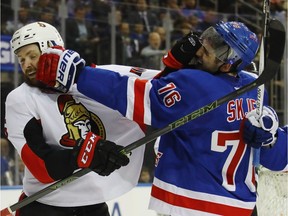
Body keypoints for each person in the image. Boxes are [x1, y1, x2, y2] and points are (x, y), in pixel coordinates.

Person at [36, 21, 287, 215]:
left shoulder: (194, 84)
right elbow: (276, 161)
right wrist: (272, 139)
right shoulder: (253, 87)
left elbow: (134, 95)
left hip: (191, 204)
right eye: (208, 38)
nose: (202, 49)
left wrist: (79, 75)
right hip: (241, 207)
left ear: (227, 64)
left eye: (213, 48)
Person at [5, 21, 159, 216]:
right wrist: (86, 154)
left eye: (32, 56)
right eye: (21, 59)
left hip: (95, 207)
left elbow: (162, 85)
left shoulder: (92, 78)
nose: (26, 65)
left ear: (52, 50)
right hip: (44, 208)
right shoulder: (20, 99)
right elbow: (41, 167)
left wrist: (181, 64)